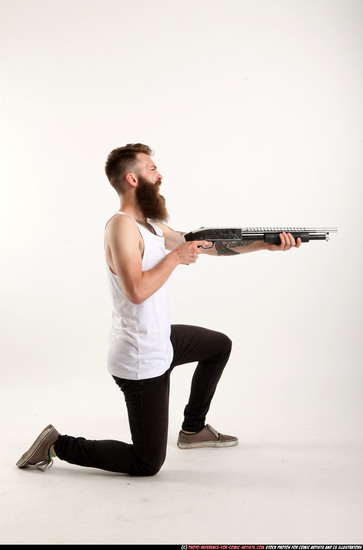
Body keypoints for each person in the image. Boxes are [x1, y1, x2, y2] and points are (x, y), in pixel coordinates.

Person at [16, 143, 301, 475]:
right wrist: (175, 258)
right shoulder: (121, 226)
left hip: (160, 341)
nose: (160, 174)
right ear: (132, 179)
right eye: (152, 169)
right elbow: (136, 291)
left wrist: (264, 244)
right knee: (147, 463)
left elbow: (204, 245)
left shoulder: (151, 227)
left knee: (218, 346)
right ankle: (56, 444)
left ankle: (193, 430)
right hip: (139, 358)